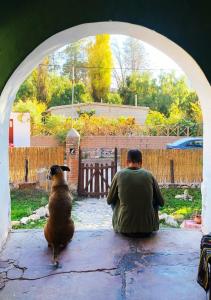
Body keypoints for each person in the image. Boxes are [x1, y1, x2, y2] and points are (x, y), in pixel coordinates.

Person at [107, 149, 164, 238]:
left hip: (124, 229)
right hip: (148, 230)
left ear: (127, 162)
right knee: (155, 200)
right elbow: (161, 202)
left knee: (116, 199)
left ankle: (120, 221)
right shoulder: (149, 175)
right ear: (141, 162)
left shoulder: (119, 175)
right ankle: (150, 223)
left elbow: (109, 200)